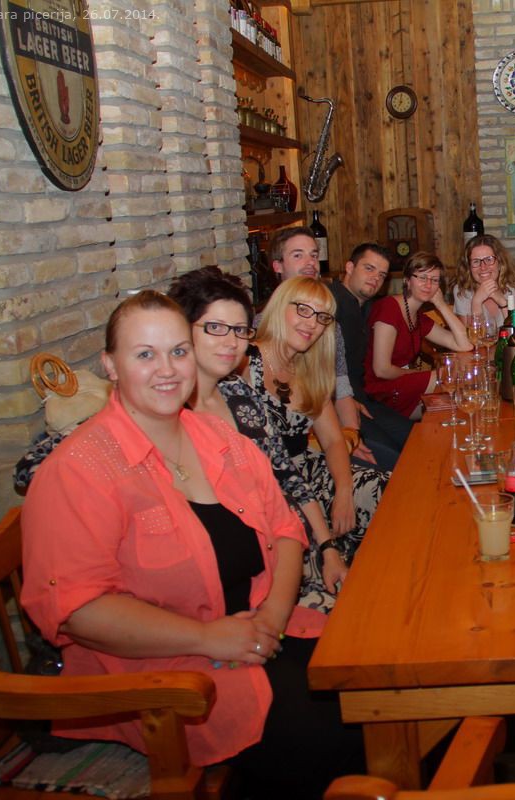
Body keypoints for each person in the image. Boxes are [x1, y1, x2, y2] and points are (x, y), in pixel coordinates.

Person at [20, 292, 363, 799]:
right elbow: (77, 610)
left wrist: (271, 618)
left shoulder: (218, 439)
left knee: (378, 691)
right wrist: (208, 638)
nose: (167, 369)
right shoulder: (78, 470)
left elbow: (285, 528)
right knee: (335, 738)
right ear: (110, 366)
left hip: (263, 632)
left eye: (178, 352)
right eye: (145, 354)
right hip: (165, 676)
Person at [246, 278, 388, 606]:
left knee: (387, 491)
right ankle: (335, 599)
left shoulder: (309, 367)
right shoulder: (245, 360)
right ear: (279, 307)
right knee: (303, 536)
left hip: (309, 469)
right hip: (265, 484)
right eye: (303, 310)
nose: (312, 323)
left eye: (322, 317)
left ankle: (378, 587)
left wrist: (344, 490)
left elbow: (334, 441)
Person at [268, 227, 375, 463]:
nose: (310, 263)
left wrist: (352, 435)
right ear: (277, 266)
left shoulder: (328, 321)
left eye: (314, 255)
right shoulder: (265, 326)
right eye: (298, 255)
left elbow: (341, 384)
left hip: (332, 429)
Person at [329, 242, 412, 469]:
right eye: (369, 268)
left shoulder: (368, 307)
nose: (375, 278)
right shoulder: (330, 304)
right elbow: (315, 367)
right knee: (398, 461)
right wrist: (342, 401)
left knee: (416, 438)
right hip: (338, 406)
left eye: (382, 275)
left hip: (364, 400)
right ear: (349, 267)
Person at [366, 251, 473, 417]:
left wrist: (440, 304)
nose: (428, 285)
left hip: (402, 385)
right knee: (450, 381)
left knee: (455, 402)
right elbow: (381, 370)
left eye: (434, 280)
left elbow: (464, 344)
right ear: (407, 280)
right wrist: (421, 375)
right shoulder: (389, 308)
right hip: (380, 391)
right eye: (422, 277)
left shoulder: (419, 317)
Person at [454, 234, 515, 328]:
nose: (483, 267)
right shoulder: (462, 292)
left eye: (489, 259)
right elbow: (469, 336)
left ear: (500, 263)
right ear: (469, 267)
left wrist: (503, 303)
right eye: (476, 261)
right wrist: (476, 302)